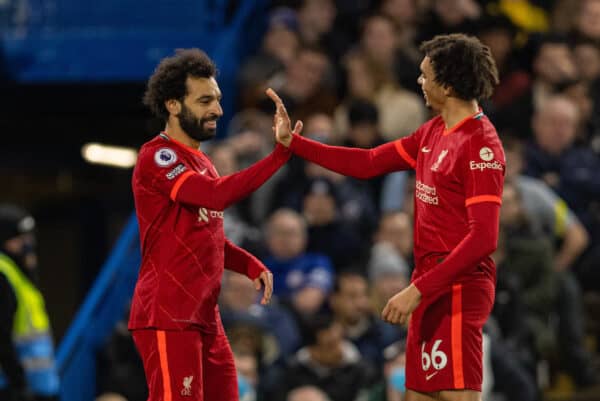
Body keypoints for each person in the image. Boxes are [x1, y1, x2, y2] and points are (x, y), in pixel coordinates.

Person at [271, 34, 504, 401]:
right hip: (428, 285)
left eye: (425, 75)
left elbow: (483, 239)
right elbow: (368, 163)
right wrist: (295, 144)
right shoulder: (433, 131)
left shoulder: (481, 145)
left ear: (447, 83)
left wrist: (417, 290)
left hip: (458, 291)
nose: (419, 82)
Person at [130, 49, 302, 401]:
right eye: (205, 100)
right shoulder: (158, 157)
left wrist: (246, 263)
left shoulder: (203, 162)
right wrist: (278, 155)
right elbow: (215, 197)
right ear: (173, 105)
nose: (218, 110)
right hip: (169, 313)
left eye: (218, 99)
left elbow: (203, 237)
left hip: (204, 314)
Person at [0, 204, 60, 401]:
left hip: (36, 388)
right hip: (14, 390)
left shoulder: (18, 274)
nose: (27, 244)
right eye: (20, 238)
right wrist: (19, 385)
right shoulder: (3, 273)